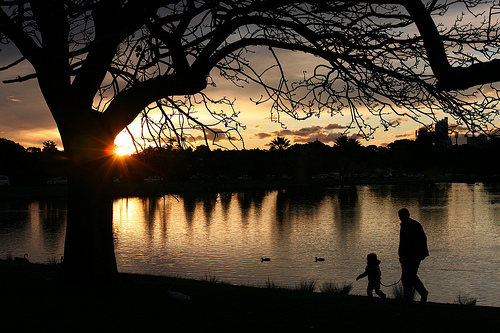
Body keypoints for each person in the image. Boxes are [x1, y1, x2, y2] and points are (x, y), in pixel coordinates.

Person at [398, 208, 429, 303]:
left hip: (415, 255)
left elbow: (422, 239)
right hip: (407, 256)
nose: (400, 218)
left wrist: (421, 254)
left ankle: (421, 293)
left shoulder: (415, 225)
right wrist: (401, 255)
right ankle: (409, 298)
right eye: (400, 216)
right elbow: (402, 242)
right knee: (407, 277)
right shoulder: (404, 226)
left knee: (409, 276)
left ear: (407, 215)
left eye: (401, 216)